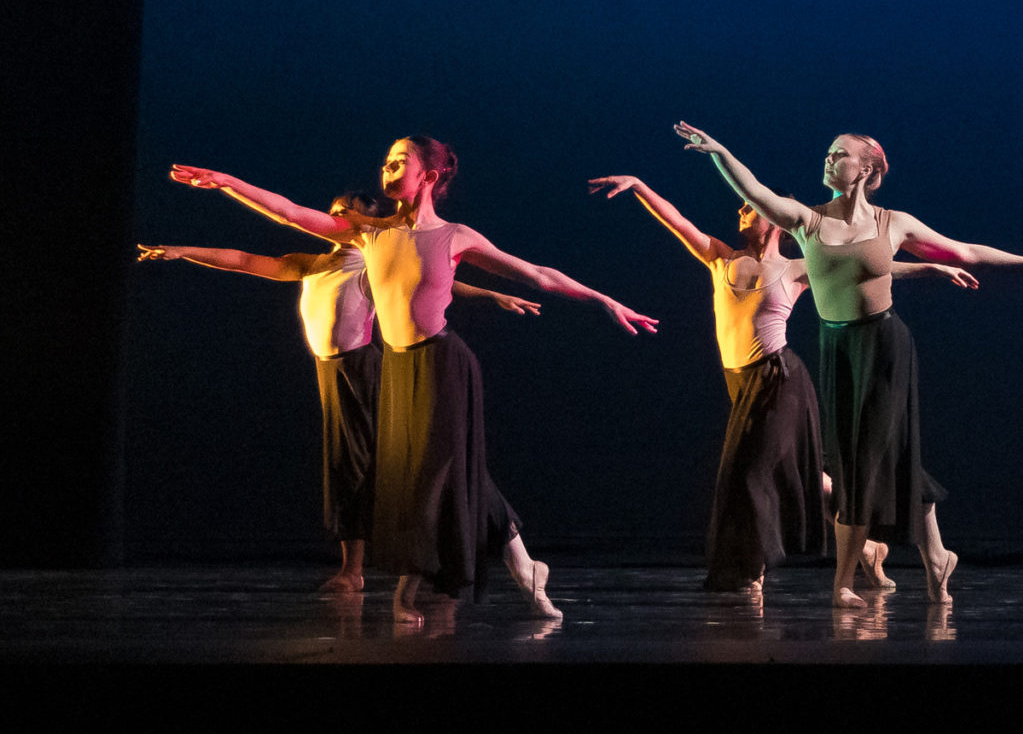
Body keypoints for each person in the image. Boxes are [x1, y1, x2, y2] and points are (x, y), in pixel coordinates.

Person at [169, 138, 658, 622]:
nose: (387, 167)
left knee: (429, 474)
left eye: (399, 161)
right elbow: (289, 213)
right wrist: (226, 182)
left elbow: (537, 274)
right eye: (386, 160)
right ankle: (526, 567)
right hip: (398, 366)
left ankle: (410, 589)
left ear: (429, 176)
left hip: (444, 363)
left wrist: (604, 300)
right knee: (435, 472)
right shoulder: (368, 234)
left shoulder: (456, 236)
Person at [674, 123, 1023, 604]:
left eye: (839, 154)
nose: (828, 159)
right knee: (876, 459)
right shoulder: (807, 221)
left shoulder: (893, 223)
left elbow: (965, 250)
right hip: (838, 348)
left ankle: (843, 583)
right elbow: (755, 190)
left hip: (885, 346)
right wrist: (719, 151)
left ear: (866, 169)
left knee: (864, 461)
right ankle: (937, 556)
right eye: (828, 152)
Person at [589, 174, 977, 594]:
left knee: (752, 473)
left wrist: (929, 267)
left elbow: (866, 266)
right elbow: (678, 222)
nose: (742, 210)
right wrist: (640, 186)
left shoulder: (798, 268)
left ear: (774, 219)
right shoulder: (721, 258)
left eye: (750, 207)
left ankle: (750, 571)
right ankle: (868, 548)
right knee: (811, 480)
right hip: (742, 385)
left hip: (781, 380)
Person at [137, 193, 538, 593]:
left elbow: (437, 279)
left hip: (366, 372)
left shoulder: (372, 264)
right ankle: (352, 570)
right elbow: (244, 260)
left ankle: (493, 536)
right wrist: (184, 251)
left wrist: (491, 295)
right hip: (332, 375)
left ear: (366, 225)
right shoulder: (312, 264)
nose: (336, 219)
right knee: (347, 467)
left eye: (347, 214)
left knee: (425, 462)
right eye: (333, 212)